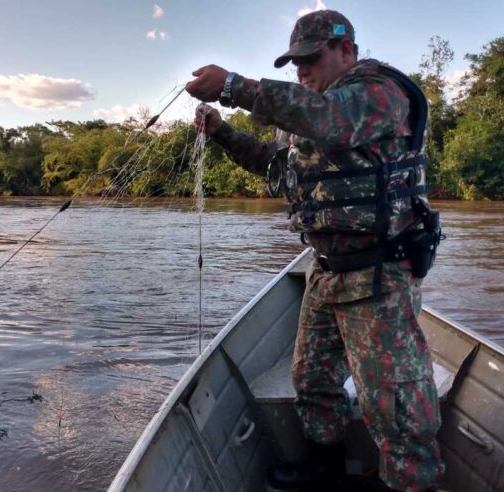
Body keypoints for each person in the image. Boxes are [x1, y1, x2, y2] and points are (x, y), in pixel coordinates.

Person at [185, 9, 444, 492]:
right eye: (294, 62)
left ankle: (411, 483)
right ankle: (324, 463)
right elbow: (272, 164)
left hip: (380, 273)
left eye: (311, 57)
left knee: (393, 398)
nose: (301, 70)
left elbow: (336, 122)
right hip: (325, 270)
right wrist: (221, 131)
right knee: (311, 377)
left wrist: (233, 85)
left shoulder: (378, 92)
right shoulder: (305, 110)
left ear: (346, 50)